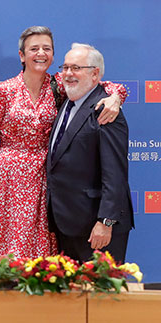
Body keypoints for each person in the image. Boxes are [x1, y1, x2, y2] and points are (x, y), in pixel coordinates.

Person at [0, 26, 126, 279]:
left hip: (44, 180)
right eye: (34, 49)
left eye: (47, 49)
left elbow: (105, 84)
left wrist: (116, 97)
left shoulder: (60, 84)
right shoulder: (4, 90)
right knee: (2, 254)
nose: (40, 53)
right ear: (21, 55)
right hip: (5, 181)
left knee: (39, 257)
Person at [47, 43, 133, 262]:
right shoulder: (66, 102)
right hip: (66, 223)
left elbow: (115, 174)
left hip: (97, 228)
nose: (67, 74)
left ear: (95, 74)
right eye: (65, 67)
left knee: (99, 294)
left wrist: (106, 222)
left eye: (76, 68)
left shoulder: (106, 110)